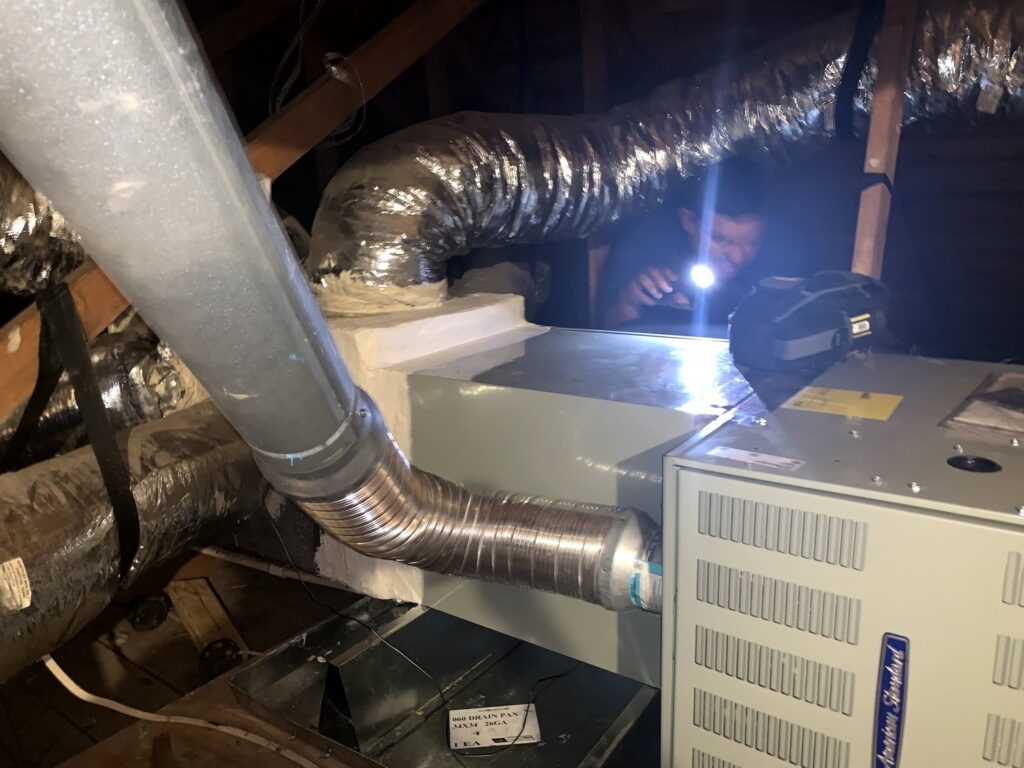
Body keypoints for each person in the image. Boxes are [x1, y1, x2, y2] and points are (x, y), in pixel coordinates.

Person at [597, 157, 767, 336]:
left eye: (752, 242)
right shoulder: (646, 247)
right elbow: (606, 339)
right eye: (719, 239)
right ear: (688, 221)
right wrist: (630, 300)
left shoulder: (777, 255)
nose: (737, 257)